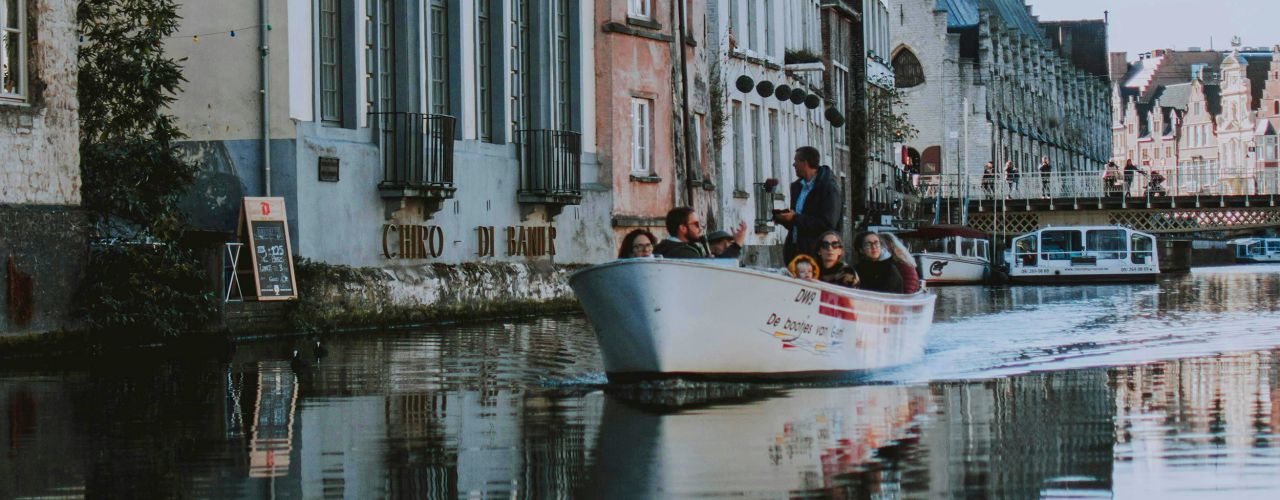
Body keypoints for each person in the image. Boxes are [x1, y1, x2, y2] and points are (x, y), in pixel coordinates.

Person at [773, 146, 841, 263]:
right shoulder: (797, 187)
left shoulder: (828, 187)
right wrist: (784, 219)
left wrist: (795, 217)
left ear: (805, 163)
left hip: (817, 254)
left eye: (796, 161)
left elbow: (828, 224)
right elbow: (797, 224)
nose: (793, 165)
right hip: (795, 251)